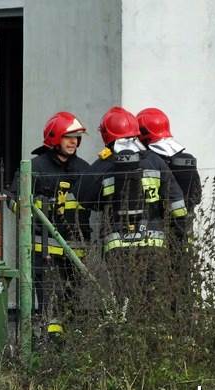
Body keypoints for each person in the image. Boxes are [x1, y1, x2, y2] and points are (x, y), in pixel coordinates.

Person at [78, 107, 187, 318]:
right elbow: (177, 202)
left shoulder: (104, 164)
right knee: (152, 297)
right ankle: (152, 339)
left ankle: (126, 341)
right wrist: (180, 237)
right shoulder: (156, 161)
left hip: (117, 243)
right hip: (153, 242)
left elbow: (84, 197)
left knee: (123, 298)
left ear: (106, 135)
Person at [10, 111, 91, 338]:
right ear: (55, 138)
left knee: (72, 295)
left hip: (74, 245)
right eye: (68, 137)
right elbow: (14, 201)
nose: (74, 142)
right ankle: (48, 340)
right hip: (41, 245)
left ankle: (69, 339)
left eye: (76, 138)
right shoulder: (35, 167)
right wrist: (34, 212)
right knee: (46, 296)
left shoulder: (84, 169)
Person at [137, 108, 201, 315]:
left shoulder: (150, 160)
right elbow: (196, 197)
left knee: (151, 283)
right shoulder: (187, 158)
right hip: (183, 231)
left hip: (156, 233)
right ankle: (182, 327)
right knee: (182, 282)